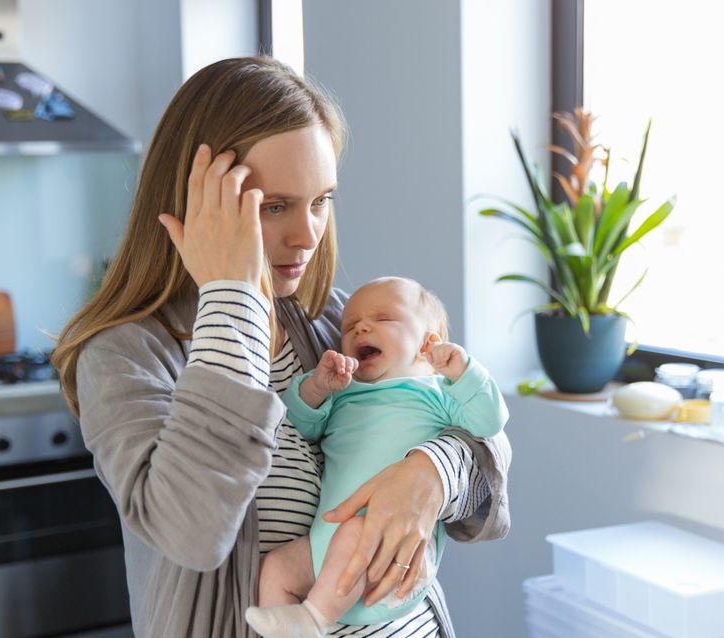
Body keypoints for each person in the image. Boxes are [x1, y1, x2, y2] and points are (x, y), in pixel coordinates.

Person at [50, 56, 512, 638]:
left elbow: (488, 459)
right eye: (275, 206)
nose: (309, 234)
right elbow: (192, 532)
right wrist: (231, 298)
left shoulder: (339, 324)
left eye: (322, 200)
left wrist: (430, 475)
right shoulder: (125, 357)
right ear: (198, 207)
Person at [245, 277, 508, 638]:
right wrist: (316, 388)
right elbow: (297, 427)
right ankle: (290, 627)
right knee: (275, 569)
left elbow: (489, 425)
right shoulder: (343, 393)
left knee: (357, 531)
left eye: (383, 319)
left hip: (388, 548)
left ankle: (312, 620)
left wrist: (465, 373)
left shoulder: (438, 392)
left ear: (428, 342)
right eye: (350, 326)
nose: (361, 327)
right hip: (323, 545)